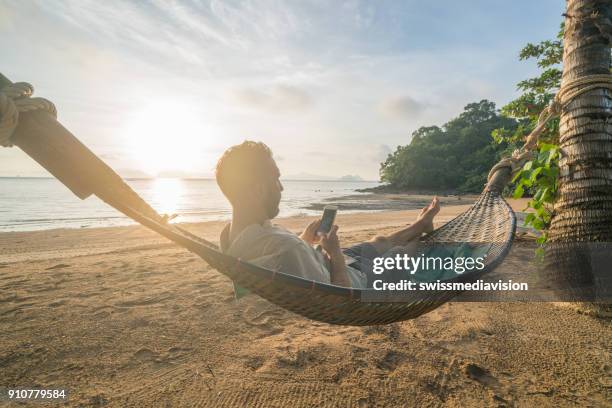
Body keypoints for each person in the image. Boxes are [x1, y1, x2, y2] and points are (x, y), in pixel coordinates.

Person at [216, 141, 440, 288]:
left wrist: (304, 239)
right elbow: (342, 295)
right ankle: (424, 236)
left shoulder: (232, 239)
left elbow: (287, 259)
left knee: (379, 241)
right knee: (404, 251)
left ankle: (420, 225)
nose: (281, 188)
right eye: (276, 179)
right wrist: (335, 252)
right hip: (360, 280)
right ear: (258, 190)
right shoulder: (286, 249)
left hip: (326, 260)